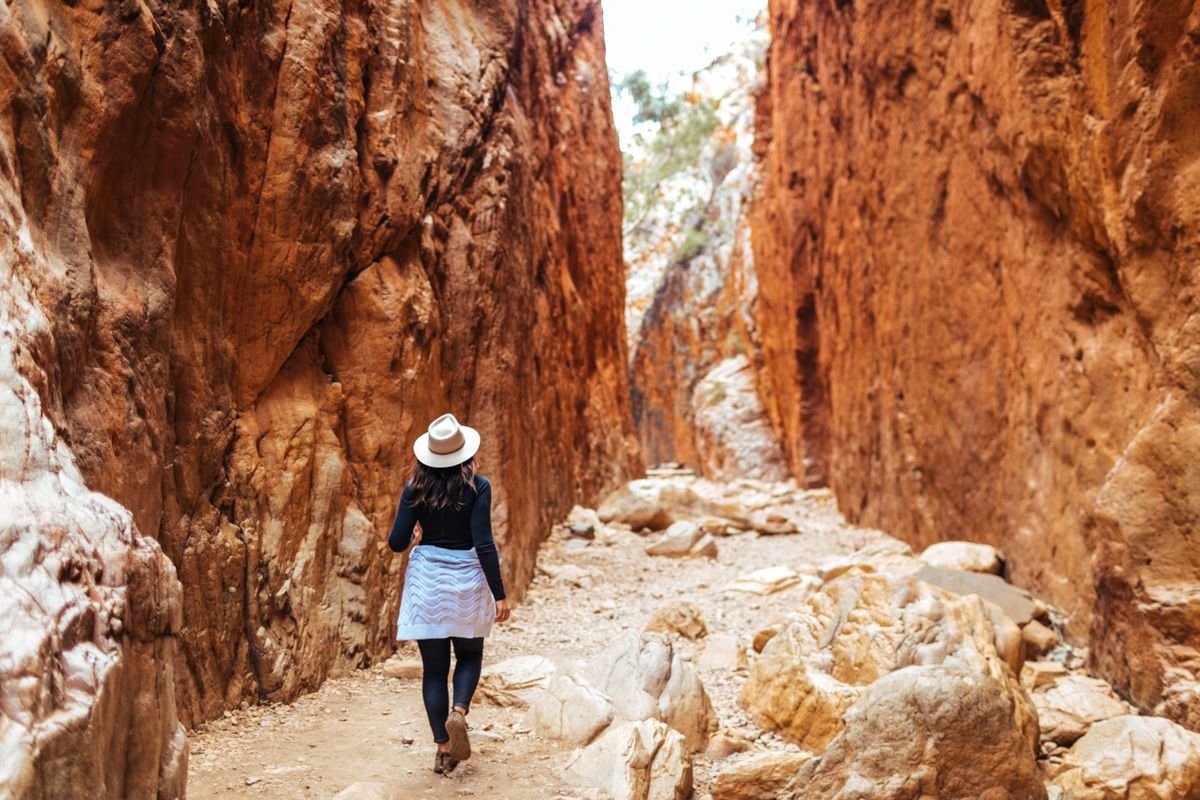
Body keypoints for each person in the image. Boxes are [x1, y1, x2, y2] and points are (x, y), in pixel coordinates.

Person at [387, 412, 512, 774]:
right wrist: (499, 593)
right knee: (470, 654)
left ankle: (443, 748)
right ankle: (459, 712)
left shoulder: (415, 488)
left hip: (428, 581)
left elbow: (396, 542)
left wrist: (414, 536)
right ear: (464, 453)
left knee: (433, 670)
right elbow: (483, 542)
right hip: (468, 580)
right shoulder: (479, 487)